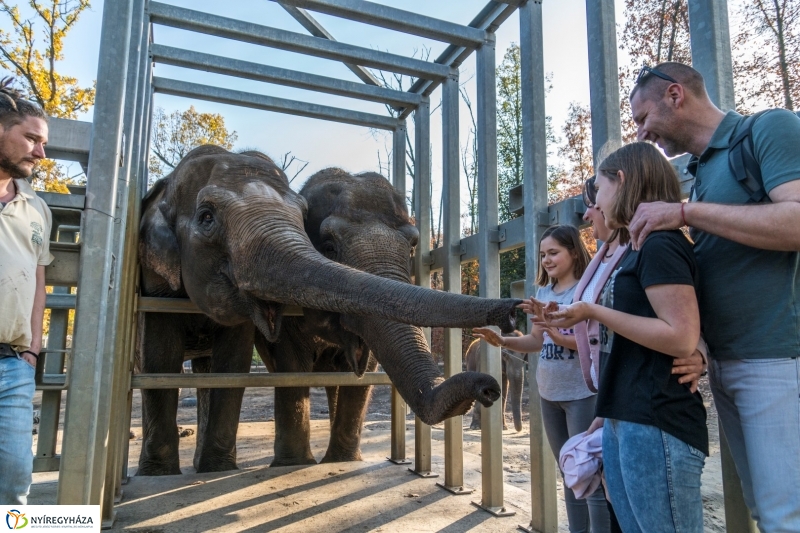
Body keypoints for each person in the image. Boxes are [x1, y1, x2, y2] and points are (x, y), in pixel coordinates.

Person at [627, 62, 800, 532]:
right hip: (727, 362)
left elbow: (796, 221)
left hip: (779, 359)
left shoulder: (769, 129)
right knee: (766, 511)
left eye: (643, 118)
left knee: (787, 516)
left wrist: (684, 211)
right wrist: (699, 343)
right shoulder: (703, 172)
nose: (641, 133)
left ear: (675, 95)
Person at [530, 142, 708, 533]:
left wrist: (593, 312)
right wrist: (607, 414)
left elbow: (680, 336)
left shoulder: (660, 245)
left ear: (621, 182)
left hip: (656, 420)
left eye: (600, 187)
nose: (593, 205)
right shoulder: (630, 249)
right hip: (622, 416)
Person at [476, 224, 612, 533]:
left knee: (589, 474)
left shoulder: (588, 292)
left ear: (574, 253)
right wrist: (503, 341)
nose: (547, 260)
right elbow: (538, 341)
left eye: (554, 253)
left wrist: (556, 334)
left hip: (582, 394)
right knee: (569, 473)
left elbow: (594, 344)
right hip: (549, 394)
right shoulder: (544, 293)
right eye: (543, 255)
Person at [0, 78, 53, 505]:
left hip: (13, 364)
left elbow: (38, 279)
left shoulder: (36, 207)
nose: (41, 152)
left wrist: (33, 349)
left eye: (44, 142)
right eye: (32, 139)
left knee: (16, 481)